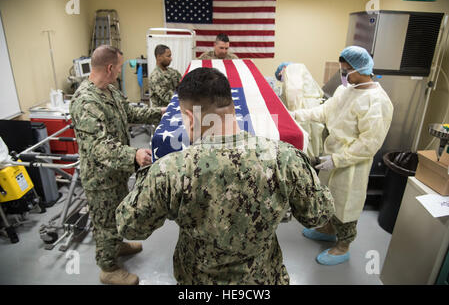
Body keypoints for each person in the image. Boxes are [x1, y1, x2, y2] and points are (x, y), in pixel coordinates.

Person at [116, 67, 335, 284]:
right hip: (263, 280)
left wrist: (150, 178)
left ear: (190, 117)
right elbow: (317, 215)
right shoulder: (286, 158)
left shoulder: (171, 169)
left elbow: (130, 226)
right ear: (231, 107)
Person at [69, 45, 165, 285]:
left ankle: (118, 245)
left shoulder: (108, 91)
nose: (120, 71)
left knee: (117, 214)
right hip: (100, 178)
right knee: (105, 222)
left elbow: (129, 112)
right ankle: (108, 268)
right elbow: (98, 146)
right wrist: (132, 156)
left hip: (115, 172)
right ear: (110, 68)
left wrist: (161, 112)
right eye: (120, 67)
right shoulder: (86, 101)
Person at [292, 46, 394, 266]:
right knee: (329, 198)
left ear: (362, 69)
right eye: (342, 71)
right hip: (332, 156)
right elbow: (324, 111)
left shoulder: (377, 101)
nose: (343, 76)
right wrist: (296, 115)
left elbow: (369, 144)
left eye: (347, 71)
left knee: (346, 204)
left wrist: (338, 160)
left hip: (351, 165)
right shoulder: (345, 90)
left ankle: (343, 246)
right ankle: (328, 230)